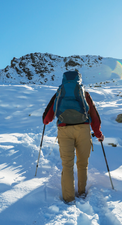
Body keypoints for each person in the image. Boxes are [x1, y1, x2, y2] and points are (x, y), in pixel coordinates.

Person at [42, 70, 104, 203]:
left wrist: (46, 121)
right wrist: (98, 134)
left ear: (64, 80)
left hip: (64, 130)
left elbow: (47, 118)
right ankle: (82, 193)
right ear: (79, 80)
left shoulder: (59, 93)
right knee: (82, 164)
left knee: (67, 165)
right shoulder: (84, 93)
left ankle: (68, 198)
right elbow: (94, 117)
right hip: (83, 129)